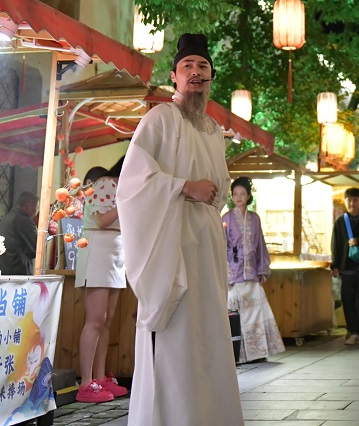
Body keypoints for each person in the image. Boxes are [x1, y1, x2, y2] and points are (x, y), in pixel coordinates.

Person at [116, 33, 243, 425]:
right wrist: (185, 187)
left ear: (211, 77)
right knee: (177, 337)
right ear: (174, 76)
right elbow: (131, 183)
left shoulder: (214, 130)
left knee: (208, 336)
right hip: (171, 249)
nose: (196, 72)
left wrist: (208, 196)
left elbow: (219, 188)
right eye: (188, 66)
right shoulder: (160, 118)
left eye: (203, 66)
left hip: (206, 245)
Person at [75, 163, 128, 403]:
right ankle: (86, 384)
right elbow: (101, 221)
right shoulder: (106, 183)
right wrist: (126, 202)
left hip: (115, 255)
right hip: (98, 252)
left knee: (106, 321)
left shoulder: (124, 187)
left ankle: (100, 378)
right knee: (95, 320)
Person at [223, 176, 285, 364]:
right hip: (233, 275)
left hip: (251, 275)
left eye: (242, 193)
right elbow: (222, 247)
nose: (238, 197)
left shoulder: (255, 219)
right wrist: (225, 272)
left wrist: (262, 269)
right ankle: (238, 354)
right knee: (236, 315)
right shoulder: (226, 219)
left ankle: (257, 353)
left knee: (257, 314)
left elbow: (260, 245)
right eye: (235, 194)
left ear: (248, 196)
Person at [332, 187, 359, 345]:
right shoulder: (340, 221)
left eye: (355, 200)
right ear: (345, 202)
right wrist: (335, 265)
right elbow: (335, 244)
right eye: (349, 200)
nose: (352, 203)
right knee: (348, 300)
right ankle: (352, 331)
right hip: (346, 267)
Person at [0, 191, 38, 276]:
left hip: (2, 268)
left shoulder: (8, 217)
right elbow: (36, 248)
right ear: (29, 206)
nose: (35, 211)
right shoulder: (23, 220)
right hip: (18, 270)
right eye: (35, 208)